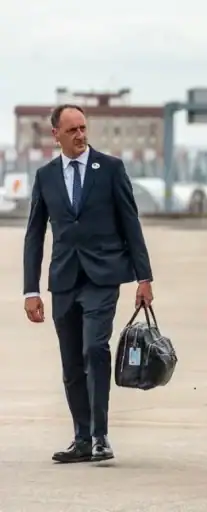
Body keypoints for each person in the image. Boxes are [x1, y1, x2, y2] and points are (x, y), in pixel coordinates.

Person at [23, 104, 154, 463]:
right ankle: (81, 437)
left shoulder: (110, 168)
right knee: (70, 362)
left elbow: (131, 223)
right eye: (72, 130)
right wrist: (30, 290)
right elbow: (34, 234)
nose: (80, 135)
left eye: (83, 128)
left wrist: (144, 277)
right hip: (64, 279)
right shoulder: (45, 176)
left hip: (103, 276)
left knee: (94, 350)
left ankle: (100, 436)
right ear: (56, 135)